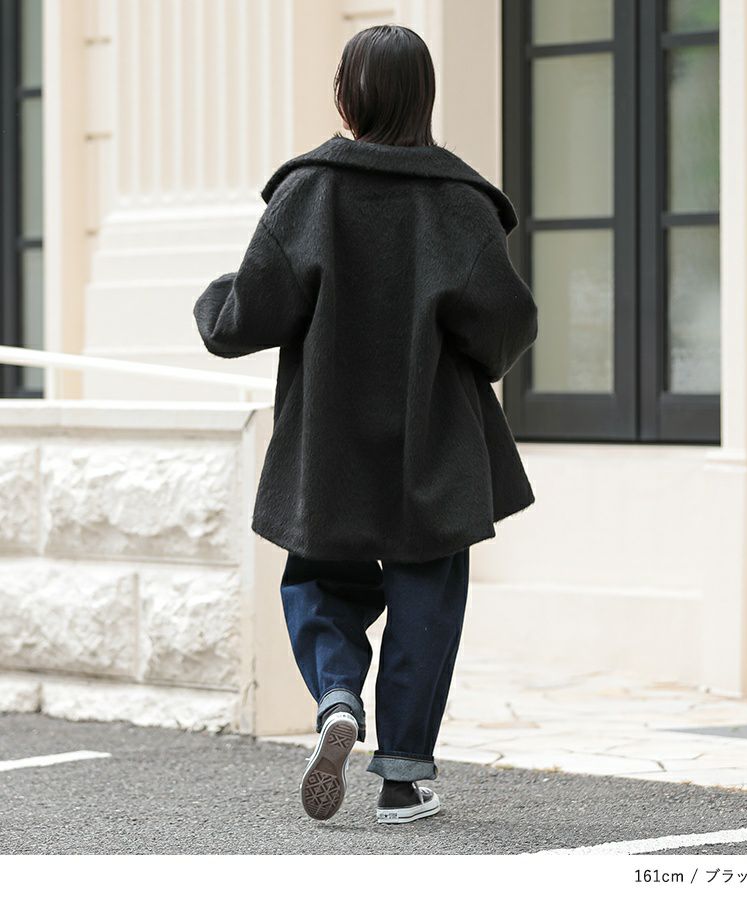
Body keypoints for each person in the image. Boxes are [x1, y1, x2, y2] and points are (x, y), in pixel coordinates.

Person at [193, 24, 538, 826]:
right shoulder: (461, 203)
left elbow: (245, 315)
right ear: (424, 96)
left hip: (329, 442)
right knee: (427, 596)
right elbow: (507, 325)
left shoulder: (310, 192)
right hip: (436, 441)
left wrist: (214, 302)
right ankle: (403, 781)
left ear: (347, 95)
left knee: (319, 579)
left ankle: (338, 693)